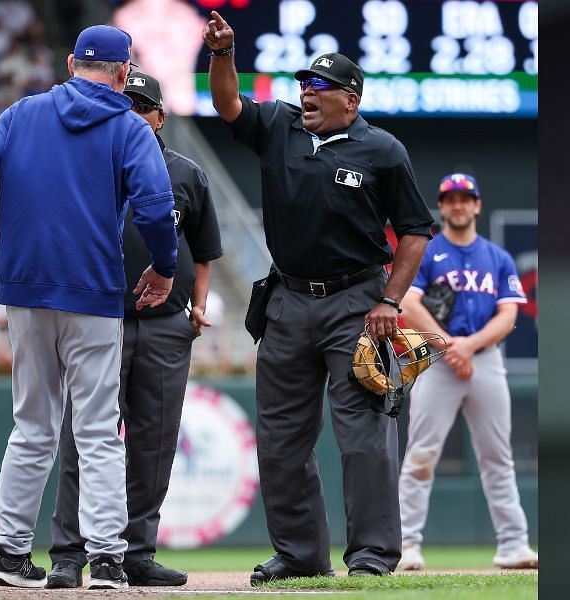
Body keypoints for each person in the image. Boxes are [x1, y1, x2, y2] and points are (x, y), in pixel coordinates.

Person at [202, 10, 433, 583]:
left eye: (320, 86)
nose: (306, 92)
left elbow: (414, 231)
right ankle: (301, 555)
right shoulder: (279, 126)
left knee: (363, 436)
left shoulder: (382, 150)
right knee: (280, 437)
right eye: (304, 83)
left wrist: (390, 301)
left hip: (358, 303)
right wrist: (223, 54)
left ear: (349, 100)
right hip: (287, 300)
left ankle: (373, 556)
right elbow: (228, 105)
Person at [0, 25, 177, 590]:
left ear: (73, 61)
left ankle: (7, 554)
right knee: (98, 432)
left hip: (25, 290)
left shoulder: (24, 113)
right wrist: (165, 267)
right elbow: (154, 203)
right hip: (93, 293)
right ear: (124, 73)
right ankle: (105, 561)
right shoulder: (129, 125)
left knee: (31, 427)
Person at [46, 70, 223, 589]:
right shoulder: (88, 164)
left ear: (160, 117)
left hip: (166, 325)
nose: (132, 116)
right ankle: (68, 554)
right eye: (123, 106)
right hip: (101, 320)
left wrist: (199, 305)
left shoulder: (185, 172)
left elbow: (206, 249)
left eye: (141, 107)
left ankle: (137, 551)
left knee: (155, 443)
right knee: (86, 439)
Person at [395, 173, 538, 571]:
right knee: (422, 454)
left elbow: (508, 315)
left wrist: (468, 346)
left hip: (484, 358)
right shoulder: (427, 252)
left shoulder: (497, 257)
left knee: (497, 456)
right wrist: (448, 344)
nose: (458, 205)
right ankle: (406, 545)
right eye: (450, 199)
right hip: (438, 360)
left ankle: (513, 544)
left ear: (477, 205)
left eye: (465, 198)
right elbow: (407, 303)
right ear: (440, 208)